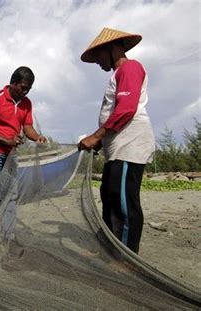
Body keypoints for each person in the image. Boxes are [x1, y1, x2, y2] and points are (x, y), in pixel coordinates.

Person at [78, 28, 155, 254]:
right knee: (109, 196)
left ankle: (127, 258)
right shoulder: (117, 74)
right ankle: (110, 248)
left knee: (124, 204)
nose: (97, 63)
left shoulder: (130, 68)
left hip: (130, 146)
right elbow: (114, 113)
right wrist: (100, 141)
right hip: (117, 148)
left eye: (98, 57)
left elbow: (126, 110)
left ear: (112, 49)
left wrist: (96, 136)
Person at [0, 66, 46, 250]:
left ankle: (8, 236)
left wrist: (37, 137)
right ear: (13, 83)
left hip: (11, 155)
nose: (25, 92)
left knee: (11, 195)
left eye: (29, 89)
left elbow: (28, 128)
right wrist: (7, 140)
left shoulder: (26, 103)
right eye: (23, 87)